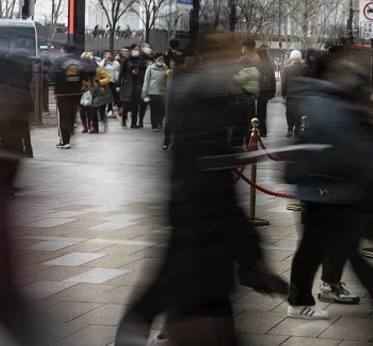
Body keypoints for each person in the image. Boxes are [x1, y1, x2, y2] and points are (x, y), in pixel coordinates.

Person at [115, 33, 285, 345]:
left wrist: (251, 256)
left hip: (206, 240)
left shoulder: (207, 99)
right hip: (201, 238)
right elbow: (212, 189)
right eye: (223, 53)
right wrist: (251, 257)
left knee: (173, 301)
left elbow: (220, 191)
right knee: (181, 304)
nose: (231, 59)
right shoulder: (202, 103)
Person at [284, 51, 373, 320]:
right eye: (341, 71)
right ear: (329, 74)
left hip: (328, 187)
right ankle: (299, 301)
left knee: (337, 242)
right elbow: (346, 142)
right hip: (324, 188)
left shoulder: (323, 98)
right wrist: (370, 165)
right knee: (315, 247)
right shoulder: (325, 102)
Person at [50, 44, 94, 150]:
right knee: (72, 113)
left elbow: (52, 76)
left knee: (63, 116)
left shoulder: (58, 61)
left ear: (63, 50)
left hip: (62, 92)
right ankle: (70, 131)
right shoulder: (80, 61)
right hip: (77, 92)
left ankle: (65, 140)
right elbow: (89, 72)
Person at [79, 52, 111, 134]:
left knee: (101, 109)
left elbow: (108, 77)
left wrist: (99, 82)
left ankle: (103, 120)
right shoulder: (82, 70)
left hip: (101, 90)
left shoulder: (98, 69)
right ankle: (95, 127)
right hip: (91, 91)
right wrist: (84, 86)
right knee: (93, 109)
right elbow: (84, 81)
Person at [119, 44, 149, 128]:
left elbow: (144, 71)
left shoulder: (141, 60)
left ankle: (134, 123)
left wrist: (139, 72)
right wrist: (118, 84)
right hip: (127, 83)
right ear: (131, 50)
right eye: (135, 49)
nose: (137, 51)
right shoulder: (125, 60)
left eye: (138, 49)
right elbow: (121, 72)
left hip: (138, 83)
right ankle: (124, 118)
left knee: (135, 104)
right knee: (126, 103)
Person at [281, 50, 306, 137]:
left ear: (291, 58)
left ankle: (290, 128)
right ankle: (298, 128)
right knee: (299, 111)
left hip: (290, 94)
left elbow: (283, 82)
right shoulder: (305, 68)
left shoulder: (286, 68)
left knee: (289, 112)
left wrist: (283, 93)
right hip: (301, 94)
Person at [142, 52, 169, 132]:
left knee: (162, 110)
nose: (161, 60)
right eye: (159, 59)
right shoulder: (150, 68)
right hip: (152, 92)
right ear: (155, 59)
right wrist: (144, 92)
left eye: (162, 59)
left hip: (162, 92)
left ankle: (159, 121)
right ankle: (154, 125)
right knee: (154, 110)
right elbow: (146, 81)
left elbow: (168, 80)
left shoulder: (166, 68)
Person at [254, 46, 277, 137]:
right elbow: (273, 77)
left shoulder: (258, 61)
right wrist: (273, 90)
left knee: (256, 110)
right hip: (267, 89)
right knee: (262, 110)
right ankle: (263, 131)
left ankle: (257, 129)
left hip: (259, 88)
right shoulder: (269, 61)